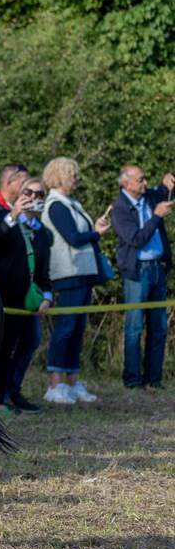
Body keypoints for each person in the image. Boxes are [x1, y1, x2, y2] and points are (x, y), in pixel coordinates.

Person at [40, 156, 110, 404]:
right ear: (61, 176)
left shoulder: (72, 203)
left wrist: (94, 228)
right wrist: (96, 233)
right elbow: (73, 237)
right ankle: (56, 384)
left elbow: (83, 233)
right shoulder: (56, 205)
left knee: (78, 328)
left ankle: (72, 381)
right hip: (68, 272)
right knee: (66, 327)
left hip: (83, 271)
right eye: (74, 175)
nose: (77, 180)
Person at [0, 177, 51, 414]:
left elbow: (43, 269)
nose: (33, 198)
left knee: (30, 340)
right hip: (1, 296)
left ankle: (11, 390)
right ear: (20, 193)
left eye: (39, 195)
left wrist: (47, 295)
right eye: (28, 192)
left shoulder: (42, 233)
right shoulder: (4, 217)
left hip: (26, 299)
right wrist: (14, 214)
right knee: (2, 347)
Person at [112, 166, 175, 390]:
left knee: (159, 327)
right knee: (135, 327)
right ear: (126, 184)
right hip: (138, 271)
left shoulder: (148, 196)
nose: (145, 183)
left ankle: (153, 379)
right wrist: (156, 216)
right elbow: (136, 239)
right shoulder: (119, 210)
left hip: (157, 268)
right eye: (140, 180)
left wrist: (168, 181)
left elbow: (165, 190)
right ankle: (132, 380)